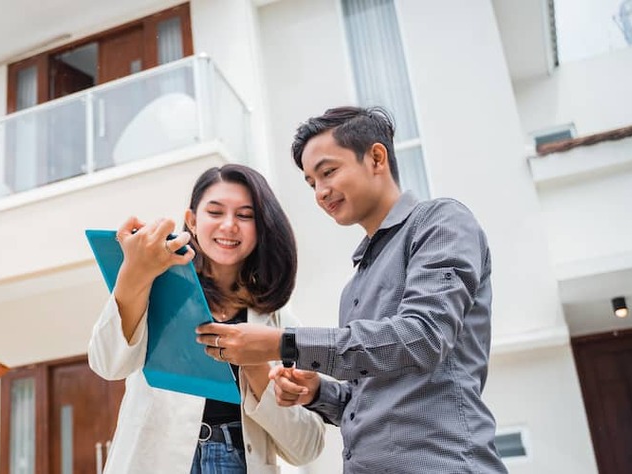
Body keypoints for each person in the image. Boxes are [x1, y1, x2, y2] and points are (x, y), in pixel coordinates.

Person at [196, 107, 508, 473]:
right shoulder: (355, 284)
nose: (321, 192)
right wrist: (317, 393)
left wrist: (282, 343)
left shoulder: (440, 222)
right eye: (312, 183)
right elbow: (371, 403)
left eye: (328, 172)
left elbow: (423, 337)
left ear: (377, 157)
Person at [88, 164, 324, 473]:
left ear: (261, 227)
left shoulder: (279, 322)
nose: (229, 226)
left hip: (237, 461)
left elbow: (307, 447)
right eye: (215, 212)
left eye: (245, 215)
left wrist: (255, 366)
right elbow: (107, 364)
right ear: (192, 221)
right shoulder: (157, 287)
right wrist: (132, 276)